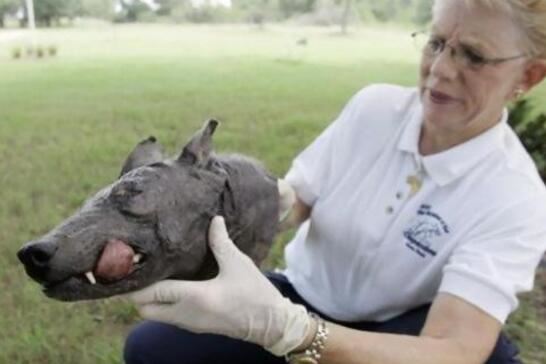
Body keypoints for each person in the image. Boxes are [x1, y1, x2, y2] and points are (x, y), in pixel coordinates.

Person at [123, 0, 546, 363]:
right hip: (299, 294)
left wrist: (294, 333)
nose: (440, 69)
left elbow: (454, 349)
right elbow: (300, 198)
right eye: (436, 43)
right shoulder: (374, 109)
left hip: (395, 327)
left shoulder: (515, 197)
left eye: (472, 55)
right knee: (151, 347)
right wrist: (246, 204)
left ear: (528, 77)